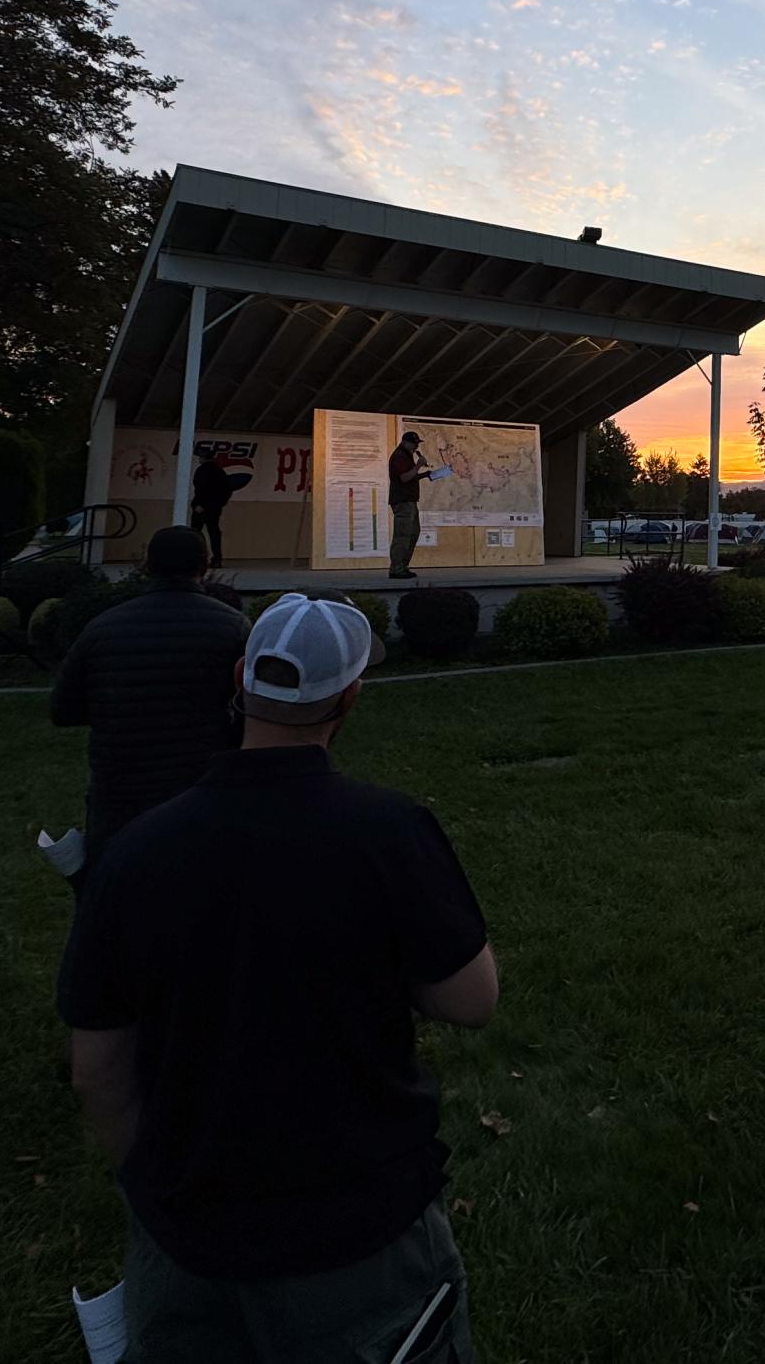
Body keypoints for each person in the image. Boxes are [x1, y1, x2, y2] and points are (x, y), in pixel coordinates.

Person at [62, 593, 494, 1363]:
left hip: (188, 1238)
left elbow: (97, 1068)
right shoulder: (387, 833)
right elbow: (471, 998)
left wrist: (153, 1184)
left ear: (240, 678)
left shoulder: (136, 853)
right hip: (359, 1234)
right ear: (351, 697)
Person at [49, 525, 251, 869]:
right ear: (205, 565)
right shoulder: (233, 627)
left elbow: (63, 709)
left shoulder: (102, 628)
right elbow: (252, 708)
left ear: (147, 565)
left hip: (119, 795)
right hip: (201, 791)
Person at [387, 431, 429, 580]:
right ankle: (396, 569)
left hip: (410, 501)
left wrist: (425, 475)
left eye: (417, 443)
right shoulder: (399, 456)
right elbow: (404, 478)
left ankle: (403, 566)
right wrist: (418, 466)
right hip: (403, 501)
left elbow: (410, 476)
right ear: (405, 442)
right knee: (403, 535)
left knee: (413, 533)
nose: (416, 446)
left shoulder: (406, 456)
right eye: (414, 443)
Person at [188, 450, 236, 568]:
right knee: (214, 533)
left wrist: (200, 505)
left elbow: (201, 489)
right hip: (214, 508)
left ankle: (196, 559)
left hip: (202, 507)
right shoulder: (220, 472)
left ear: (203, 458)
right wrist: (218, 505)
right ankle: (217, 559)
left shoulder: (202, 471)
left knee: (195, 534)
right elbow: (226, 490)